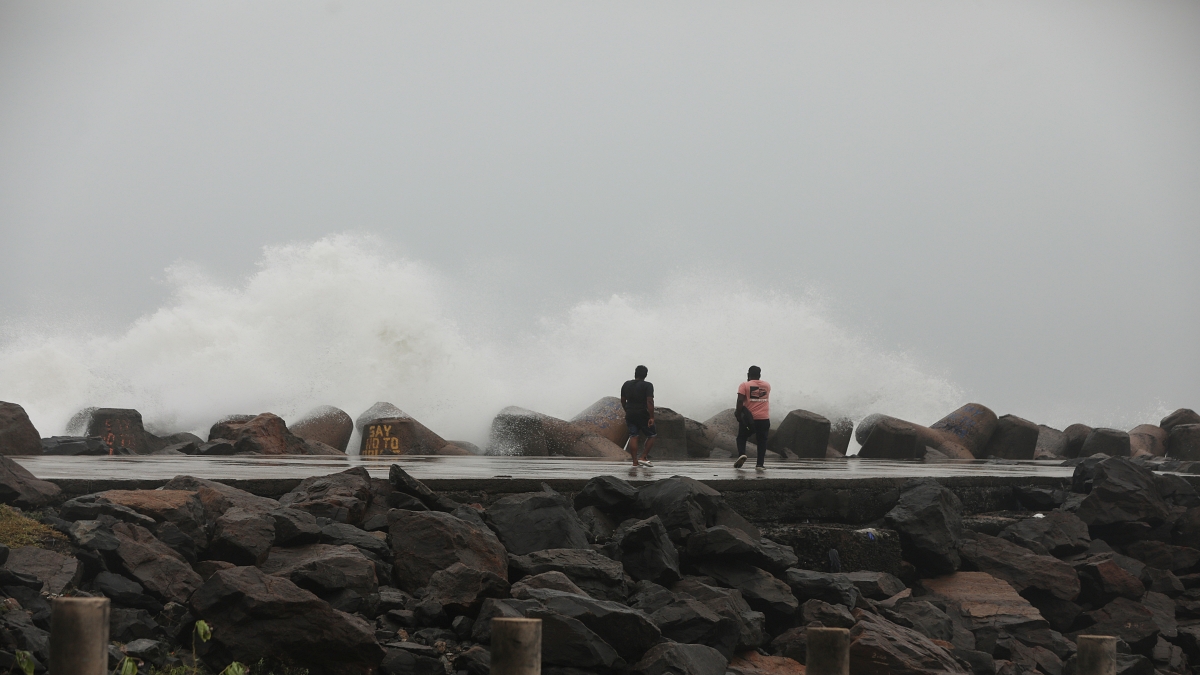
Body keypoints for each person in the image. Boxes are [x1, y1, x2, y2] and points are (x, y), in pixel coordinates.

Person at [734, 365, 771, 470]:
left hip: (749, 420)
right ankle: (760, 464)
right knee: (762, 441)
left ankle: (742, 454)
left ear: (748, 374)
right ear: (759, 375)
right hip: (764, 419)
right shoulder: (767, 385)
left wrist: (738, 413)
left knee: (742, 437)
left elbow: (740, 401)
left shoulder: (744, 385)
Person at [621, 365, 656, 467]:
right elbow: (649, 401)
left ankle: (635, 462)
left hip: (630, 413)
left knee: (634, 436)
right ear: (645, 375)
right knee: (652, 435)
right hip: (642, 413)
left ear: (635, 373)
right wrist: (652, 417)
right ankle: (643, 457)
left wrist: (627, 410)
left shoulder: (626, 384)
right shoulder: (648, 385)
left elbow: (623, 401)